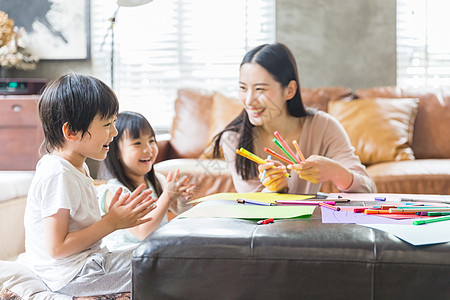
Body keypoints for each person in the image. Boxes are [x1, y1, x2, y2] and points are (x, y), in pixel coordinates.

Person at [19, 73, 157, 297]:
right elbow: (58, 248)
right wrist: (112, 222)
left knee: (159, 254)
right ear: (71, 131)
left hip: (86, 265)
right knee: (162, 263)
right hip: (71, 276)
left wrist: (113, 218)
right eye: (107, 124)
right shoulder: (58, 174)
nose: (114, 132)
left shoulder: (75, 168)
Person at [213, 43, 376, 194]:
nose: (248, 100)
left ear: (289, 90)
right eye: (243, 88)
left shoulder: (323, 126)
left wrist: (336, 172)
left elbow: (368, 190)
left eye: (260, 89)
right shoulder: (233, 139)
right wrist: (276, 189)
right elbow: (251, 206)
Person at [97, 111, 194, 250]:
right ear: (116, 151)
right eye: (137, 143)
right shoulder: (114, 192)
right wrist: (167, 196)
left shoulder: (157, 180)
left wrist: (183, 201)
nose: (148, 149)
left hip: (154, 252)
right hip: (124, 258)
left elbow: (179, 212)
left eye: (151, 141)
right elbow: (142, 232)